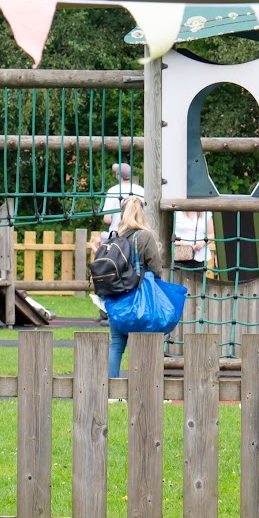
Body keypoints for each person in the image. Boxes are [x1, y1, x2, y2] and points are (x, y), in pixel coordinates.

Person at [106, 199, 166, 378]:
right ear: (141, 213)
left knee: (116, 344)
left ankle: (112, 389)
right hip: (140, 299)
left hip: (116, 297)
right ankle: (143, 386)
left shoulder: (115, 237)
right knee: (143, 343)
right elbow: (156, 268)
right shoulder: (144, 237)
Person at [100, 162, 146, 231]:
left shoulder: (112, 191)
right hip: (137, 233)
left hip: (117, 233)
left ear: (117, 175)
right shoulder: (141, 190)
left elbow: (107, 219)